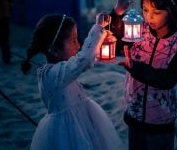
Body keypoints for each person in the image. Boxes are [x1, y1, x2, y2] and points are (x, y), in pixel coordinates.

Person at [22, 13, 124, 150]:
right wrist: (98, 27)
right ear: (54, 50)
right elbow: (85, 59)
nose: (79, 45)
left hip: (83, 121)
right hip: (66, 131)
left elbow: (87, 56)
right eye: (73, 41)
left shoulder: (62, 69)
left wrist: (114, 14)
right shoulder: (54, 75)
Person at [110, 0, 177, 150]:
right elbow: (113, 38)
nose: (149, 17)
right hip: (134, 114)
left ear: (171, 10)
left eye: (157, 12)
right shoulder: (138, 29)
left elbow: (167, 80)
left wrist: (134, 67)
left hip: (161, 122)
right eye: (145, 10)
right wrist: (117, 12)